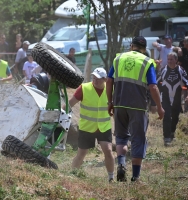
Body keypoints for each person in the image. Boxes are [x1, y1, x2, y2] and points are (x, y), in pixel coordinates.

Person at [107, 36, 164, 183]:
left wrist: (110, 102)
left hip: (119, 104)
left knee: (121, 137)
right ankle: (136, 177)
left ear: (131, 46)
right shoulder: (147, 62)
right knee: (138, 139)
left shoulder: (118, 59)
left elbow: (109, 80)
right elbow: (153, 86)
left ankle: (121, 164)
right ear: (144, 49)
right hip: (138, 106)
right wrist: (159, 107)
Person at [66, 67, 114, 182]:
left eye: (98, 78)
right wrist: (61, 114)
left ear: (105, 79)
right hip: (87, 127)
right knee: (81, 153)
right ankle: (72, 176)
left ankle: (111, 178)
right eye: (93, 77)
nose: (95, 80)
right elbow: (70, 103)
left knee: (108, 150)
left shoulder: (111, 90)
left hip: (104, 127)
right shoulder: (84, 88)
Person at [157, 52, 188, 146]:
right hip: (165, 97)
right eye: (168, 59)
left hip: (177, 98)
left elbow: (187, 83)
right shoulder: (163, 70)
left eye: (171, 59)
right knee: (166, 116)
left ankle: (171, 133)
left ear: (176, 60)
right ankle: (166, 138)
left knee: (175, 117)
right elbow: (156, 83)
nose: (169, 61)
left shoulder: (181, 70)